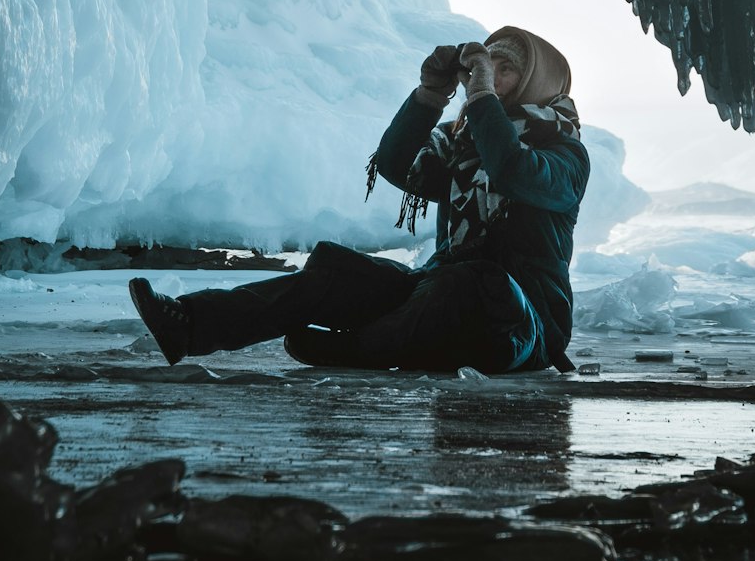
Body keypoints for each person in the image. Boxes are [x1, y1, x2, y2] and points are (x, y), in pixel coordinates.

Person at [128, 26, 589, 374]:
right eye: (485, 65)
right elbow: (394, 165)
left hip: (525, 326)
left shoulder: (565, 156)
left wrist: (483, 93)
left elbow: (511, 168)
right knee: (331, 269)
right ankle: (188, 324)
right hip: (441, 298)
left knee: (471, 280)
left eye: (505, 68)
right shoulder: (464, 144)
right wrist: (431, 95)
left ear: (536, 83)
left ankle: (358, 351)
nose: (488, 76)